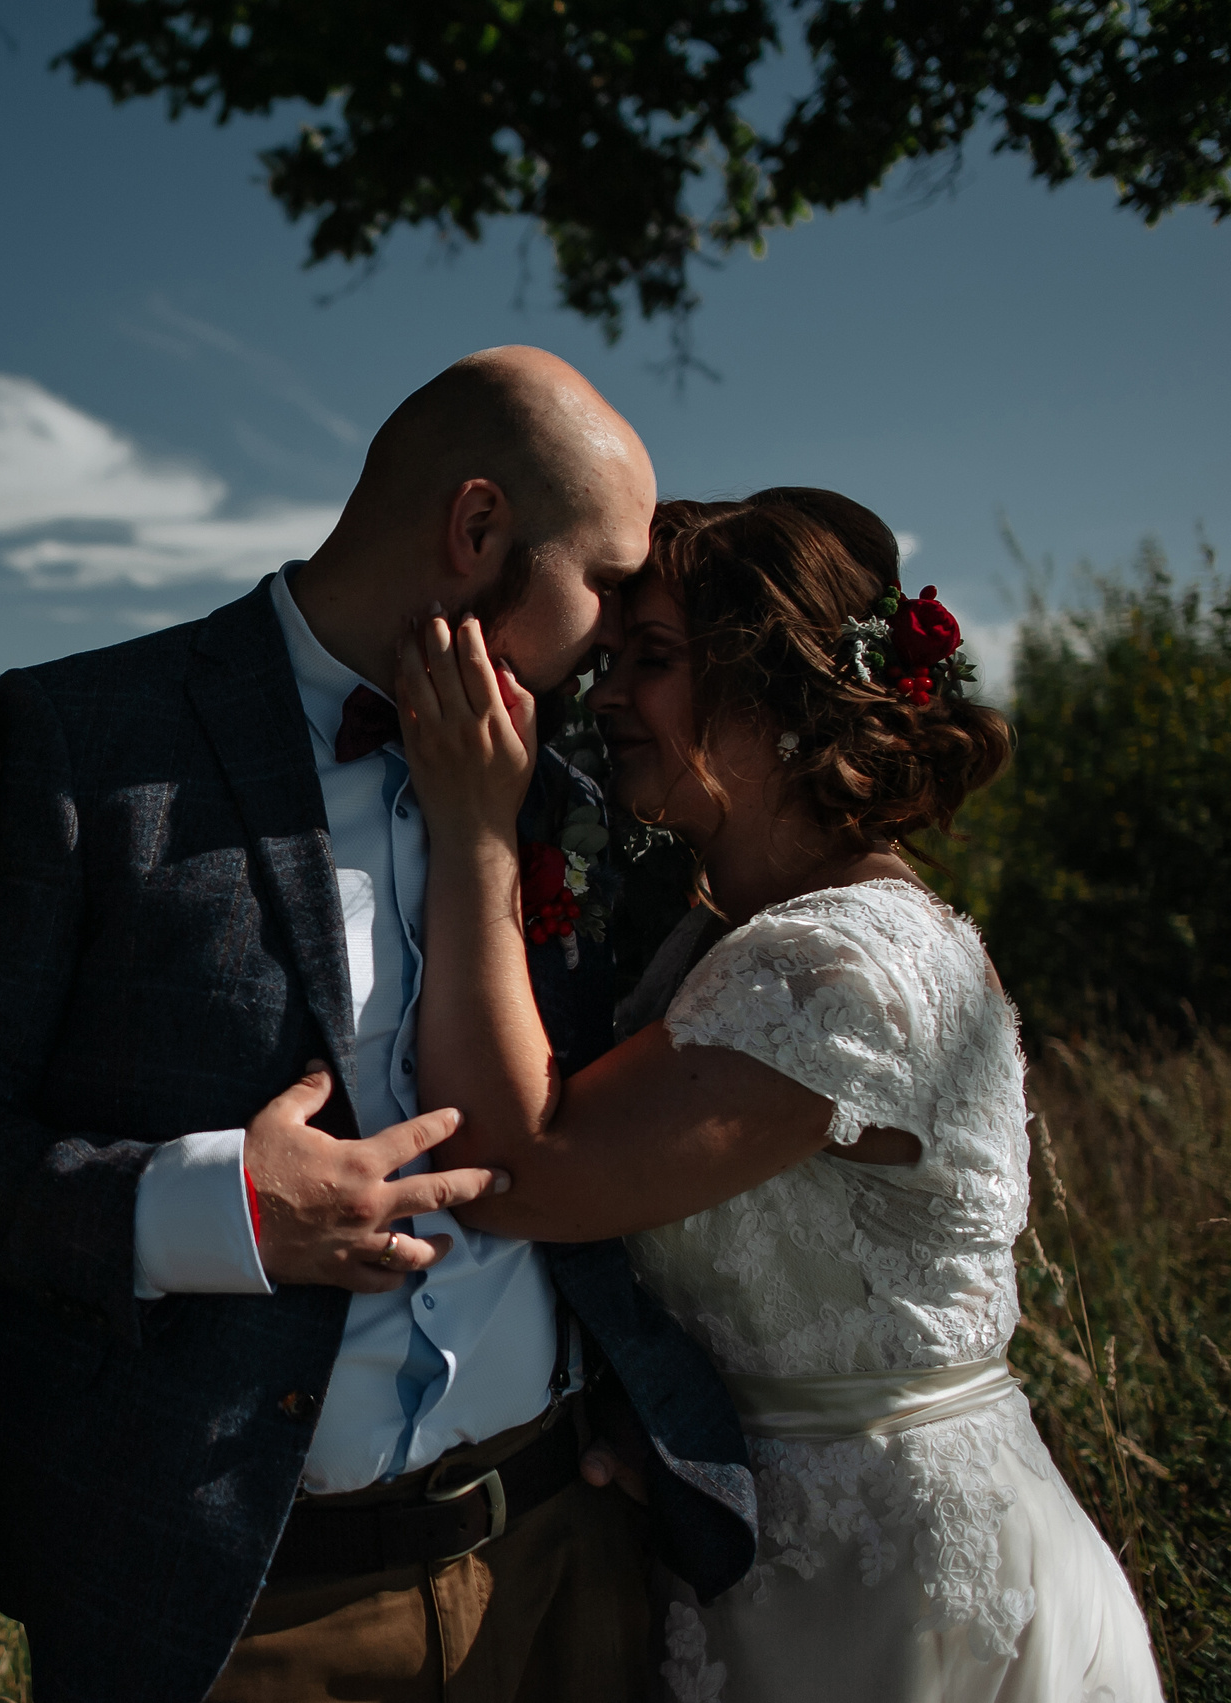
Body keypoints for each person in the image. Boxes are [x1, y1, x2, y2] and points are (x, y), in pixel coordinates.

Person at [0, 348, 757, 1703]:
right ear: (476, 531)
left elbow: (622, 1132)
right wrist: (209, 1210)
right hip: (234, 1608)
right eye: (606, 577)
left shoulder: (573, 794)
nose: (617, 626)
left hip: (561, 1562)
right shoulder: (91, 740)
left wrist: (632, 1411)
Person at [394, 488, 1163, 1701]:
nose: (602, 701)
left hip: (902, 1594)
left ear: (780, 692)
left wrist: (473, 829)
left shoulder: (837, 964)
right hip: (772, 1560)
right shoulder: (737, 933)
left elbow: (526, 1167)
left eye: (648, 662)